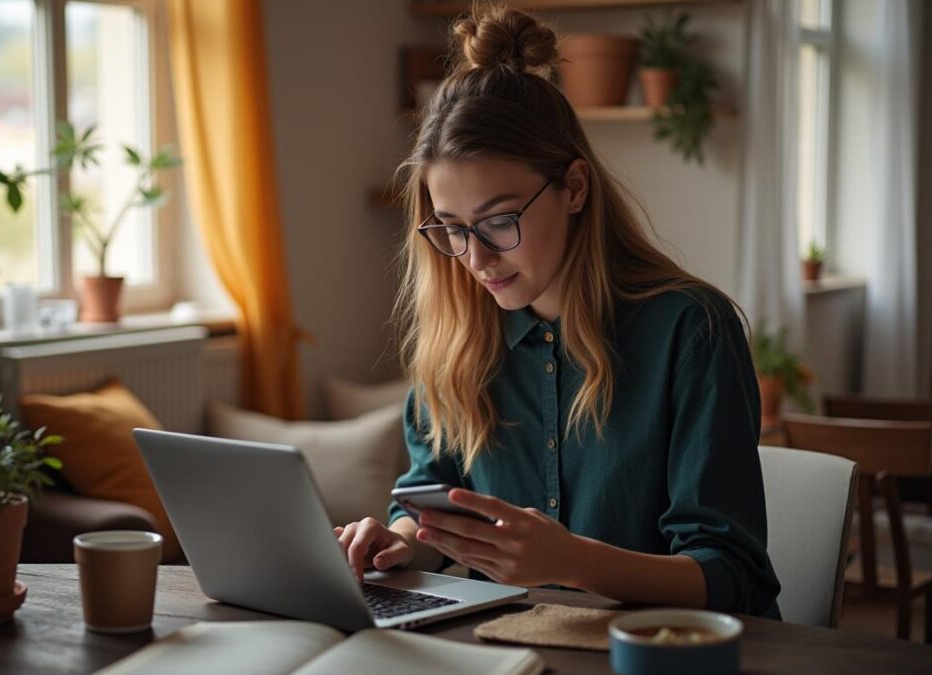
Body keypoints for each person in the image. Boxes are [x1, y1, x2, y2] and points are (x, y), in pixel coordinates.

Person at [335, 6, 781, 618]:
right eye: (453, 228)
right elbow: (427, 511)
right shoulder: (458, 342)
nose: (476, 257)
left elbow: (733, 578)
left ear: (574, 187)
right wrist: (399, 545)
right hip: (512, 649)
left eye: (499, 220)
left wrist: (572, 560)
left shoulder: (691, 330)